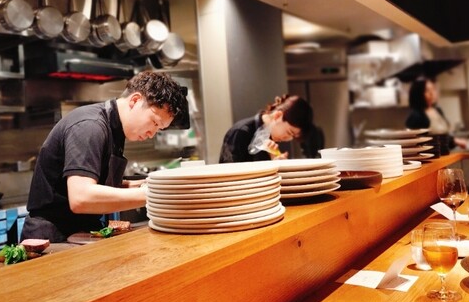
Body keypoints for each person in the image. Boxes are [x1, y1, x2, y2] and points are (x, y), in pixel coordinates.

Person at [21, 71, 187, 242]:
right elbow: (81, 197)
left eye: (159, 129)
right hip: (51, 237)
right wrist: (155, 195)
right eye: (154, 122)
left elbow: (100, 183)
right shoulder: (90, 125)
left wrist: (150, 185)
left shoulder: (115, 129)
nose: (152, 133)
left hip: (80, 231)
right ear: (135, 101)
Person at [219, 94, 313, 163]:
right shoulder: (240, 132)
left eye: (293, 136)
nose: (288, 139)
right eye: (289, 132)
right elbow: (229, 177)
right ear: (278, 116)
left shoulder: (271, 142)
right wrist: (271, 167)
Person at [405, 78, 467, 149]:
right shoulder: (416, 116)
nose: (432, 93)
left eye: (433, 89)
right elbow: (417, 143)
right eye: (427, 90)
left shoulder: (437, 110)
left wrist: (454, 141)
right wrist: (455, 141)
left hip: (446, 152)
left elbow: (445, 135)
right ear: (418, 94)